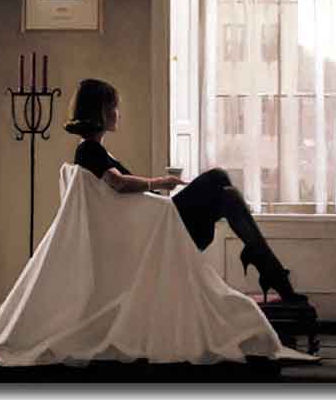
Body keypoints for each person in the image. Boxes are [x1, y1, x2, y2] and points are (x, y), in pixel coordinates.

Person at [65, 79, 308, 304]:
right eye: (113, 107)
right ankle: (273, 273)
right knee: (218, 178)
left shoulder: (92, 151)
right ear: (100, 111)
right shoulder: (89, 150)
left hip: (155, 223)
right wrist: (160, 182)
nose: (118, 113)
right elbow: (118, 183)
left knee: (229, 196)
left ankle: (271, 272)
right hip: (154, 229)